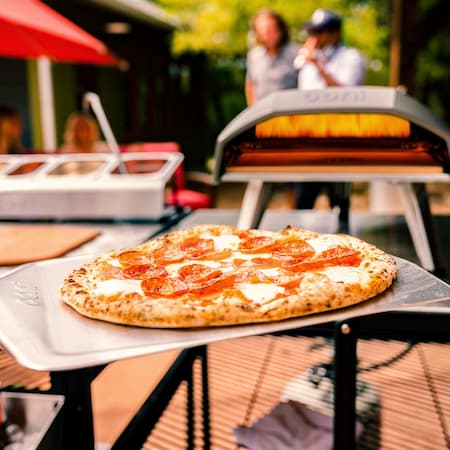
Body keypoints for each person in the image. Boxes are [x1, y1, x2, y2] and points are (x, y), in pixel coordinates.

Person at [294, 9, 367, 229]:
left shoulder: (351, 57)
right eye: (312, 31)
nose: (315, 36)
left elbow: (347, 94)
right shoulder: (307, 61)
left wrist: (318, 65)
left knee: (339, 198)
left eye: (320, 31)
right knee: (303, 198)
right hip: (310, 137)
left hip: (338, 136)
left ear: (335, 32)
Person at [245, 8, 299, 106]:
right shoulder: (254, 56)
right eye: (262, 31)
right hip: (263, 113)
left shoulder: (296, 52)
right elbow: (250, 85)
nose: (267, 35)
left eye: (270, 30)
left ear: (280, 29)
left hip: (291, 112)